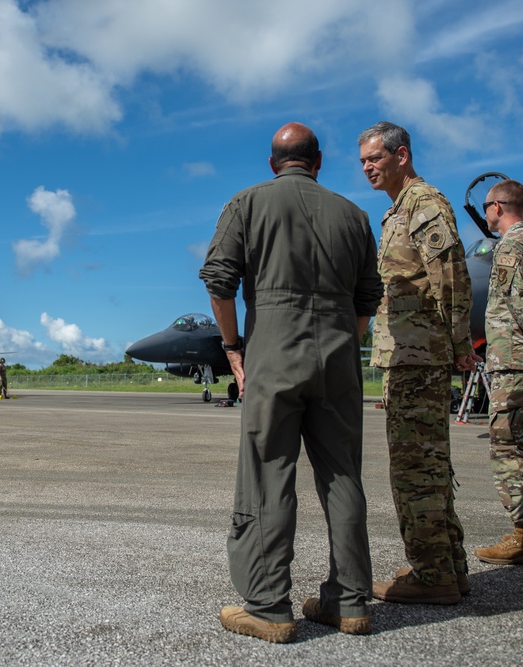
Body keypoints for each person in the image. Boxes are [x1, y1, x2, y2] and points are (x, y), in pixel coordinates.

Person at [199, 122, 382, 643]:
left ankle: (268, 606)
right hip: (340, 358)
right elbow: (369, 297)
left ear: (273, 162)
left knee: (267, 471)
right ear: (318, 161)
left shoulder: (248, 203)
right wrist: (342, 342)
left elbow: (219, 281)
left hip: (274, 354)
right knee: (342, 475)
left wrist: (234, 349)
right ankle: (349, 602)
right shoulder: (354, 215)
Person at [358, 121, 481, 605]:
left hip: (419, 355)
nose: (368, 167)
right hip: (410, 354)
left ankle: (433, 577)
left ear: (401, 155)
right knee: (428, 464)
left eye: (375, 158)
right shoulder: (397, 211)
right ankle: (450, 566)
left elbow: (450, 277)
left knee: (415, 469)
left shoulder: (424, 204)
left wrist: (457, 345)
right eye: (363, 161)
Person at [474, 180, 523, 564]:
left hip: (516, 363)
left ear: (498, 207)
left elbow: (522, 306)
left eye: (487, 206)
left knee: (511, 449)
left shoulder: (512, 246)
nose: (485, 213)